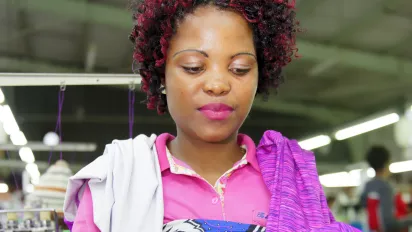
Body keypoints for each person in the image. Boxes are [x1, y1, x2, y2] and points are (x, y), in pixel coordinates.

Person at [63, 1, 358, 231]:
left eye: (240, 69)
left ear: (260, 76)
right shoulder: (116, 182)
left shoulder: (291, 181)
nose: (218, 84)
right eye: (194, 67)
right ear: (161, 75)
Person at [361, 146, 412, 232]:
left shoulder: (368, 185)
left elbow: (367, 208)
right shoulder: (386, 187)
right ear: (386, 163)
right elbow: (389, 223)